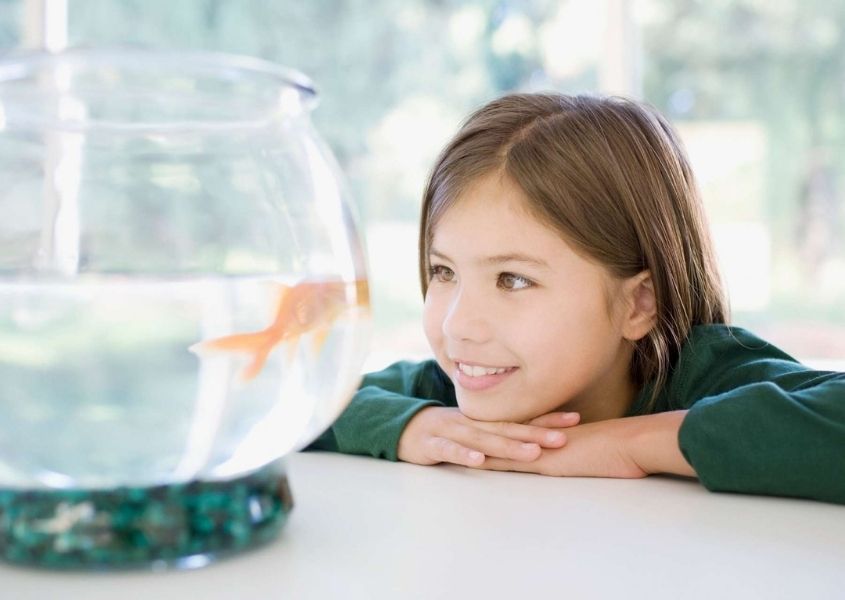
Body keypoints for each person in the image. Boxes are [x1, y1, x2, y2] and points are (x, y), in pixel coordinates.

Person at [307, 93, 845, 505]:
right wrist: (409, 427)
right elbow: (303, 400)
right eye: (443, 271)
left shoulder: (706, 375)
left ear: (638, 305)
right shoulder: (449, 394)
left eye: (513, 279)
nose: (458, 325)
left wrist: (630, 444)